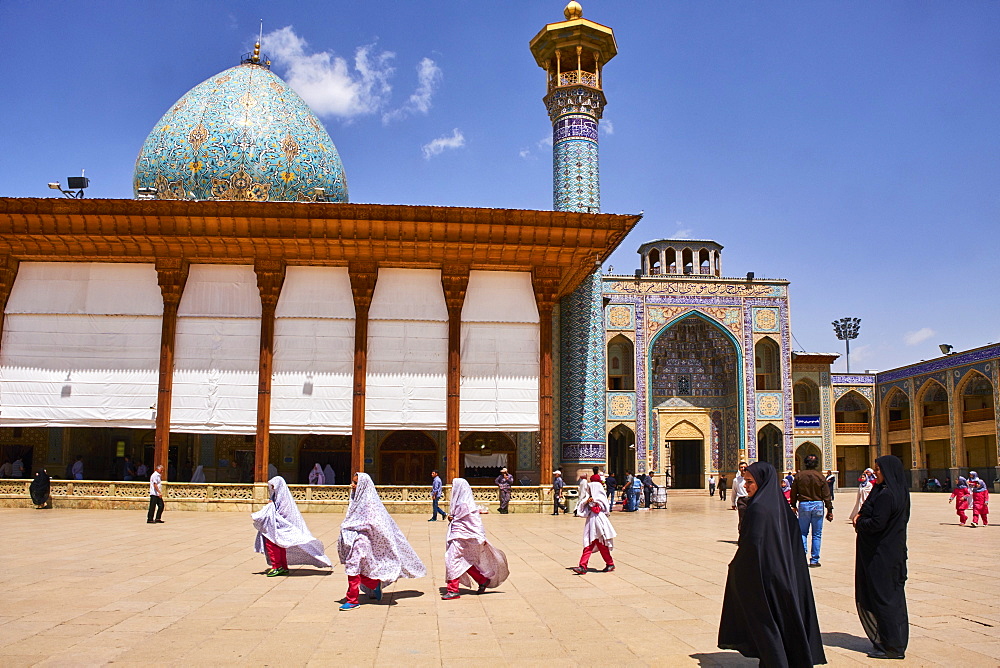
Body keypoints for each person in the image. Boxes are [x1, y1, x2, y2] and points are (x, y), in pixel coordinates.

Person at [718, 461, 827, 667]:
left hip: (765, 578)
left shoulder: (757, 509)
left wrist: (737, 568)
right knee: (781, 620)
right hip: (783, 575)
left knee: (767, 623)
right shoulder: (779, 507)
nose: (746, 486)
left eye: (750, 482)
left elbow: (752, 546)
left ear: (762, 482)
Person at [337, 472, 426, 611]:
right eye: (353, 482)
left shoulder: (370, 503)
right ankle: (373, 584)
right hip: (355, 538)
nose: (352, 485)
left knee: (353, 566)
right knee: (356, 567)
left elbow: (376, 523)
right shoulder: (356, 499)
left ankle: (352, 599)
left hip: (363, 540)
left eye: (355, 483)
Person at [854, 455, 910, 660]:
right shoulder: (899, 492)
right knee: (893, 599)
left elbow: (877, 524)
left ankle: (893, 647)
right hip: (892, 553)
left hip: (882, 557)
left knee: (884, 599)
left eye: (878, 470)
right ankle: (895, 641)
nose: (875, 473)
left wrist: (859, 522)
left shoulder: (886, 496)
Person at [442, 478, 510, 599]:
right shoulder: (460, 503)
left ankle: (453, 590)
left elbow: (475, 523)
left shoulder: (466, 504)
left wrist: (481, 537)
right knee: (464, 561)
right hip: (459, 537)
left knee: (451, 560)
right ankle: (482, 580)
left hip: (466, 538)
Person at [252, 476, 332, 576]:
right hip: (275, 526)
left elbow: (284, 513)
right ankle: (282, 566)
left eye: (273, 486)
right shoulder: (275, 497)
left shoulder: (284, 499)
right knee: (279, 545)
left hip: (281, 527)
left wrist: (271, 510)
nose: (272, 489)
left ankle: (277, 566)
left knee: (273, 545)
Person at [792, 454, 834, 567]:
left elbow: (793, 492)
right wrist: (829, 509)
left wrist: (793, 505)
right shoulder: (820, 476)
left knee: (803, 532)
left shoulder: (799, 476)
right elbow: (826, 495)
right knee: (816, 534)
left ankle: (801, 558)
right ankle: (814, 560)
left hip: (804, 504)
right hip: (818, 505)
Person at [570, 481, 617, 574]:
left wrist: (593, 503)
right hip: (591, 524)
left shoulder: (600, 499)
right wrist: (586, 503)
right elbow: (583, 512)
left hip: (599, 524)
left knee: (601, 545)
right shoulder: (589, 499)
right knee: (590, 545)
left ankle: (608, 564)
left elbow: (599, 509)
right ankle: (583, 566)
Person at [732, 463, 749, 528]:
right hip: (741, 500)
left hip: (750, 499)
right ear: (739, 469)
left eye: (744, 467)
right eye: (741, 467)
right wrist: (733, 503)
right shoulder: (736, 480)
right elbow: (734, 491)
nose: (743, 469)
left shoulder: (752, 478)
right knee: (742, 519)